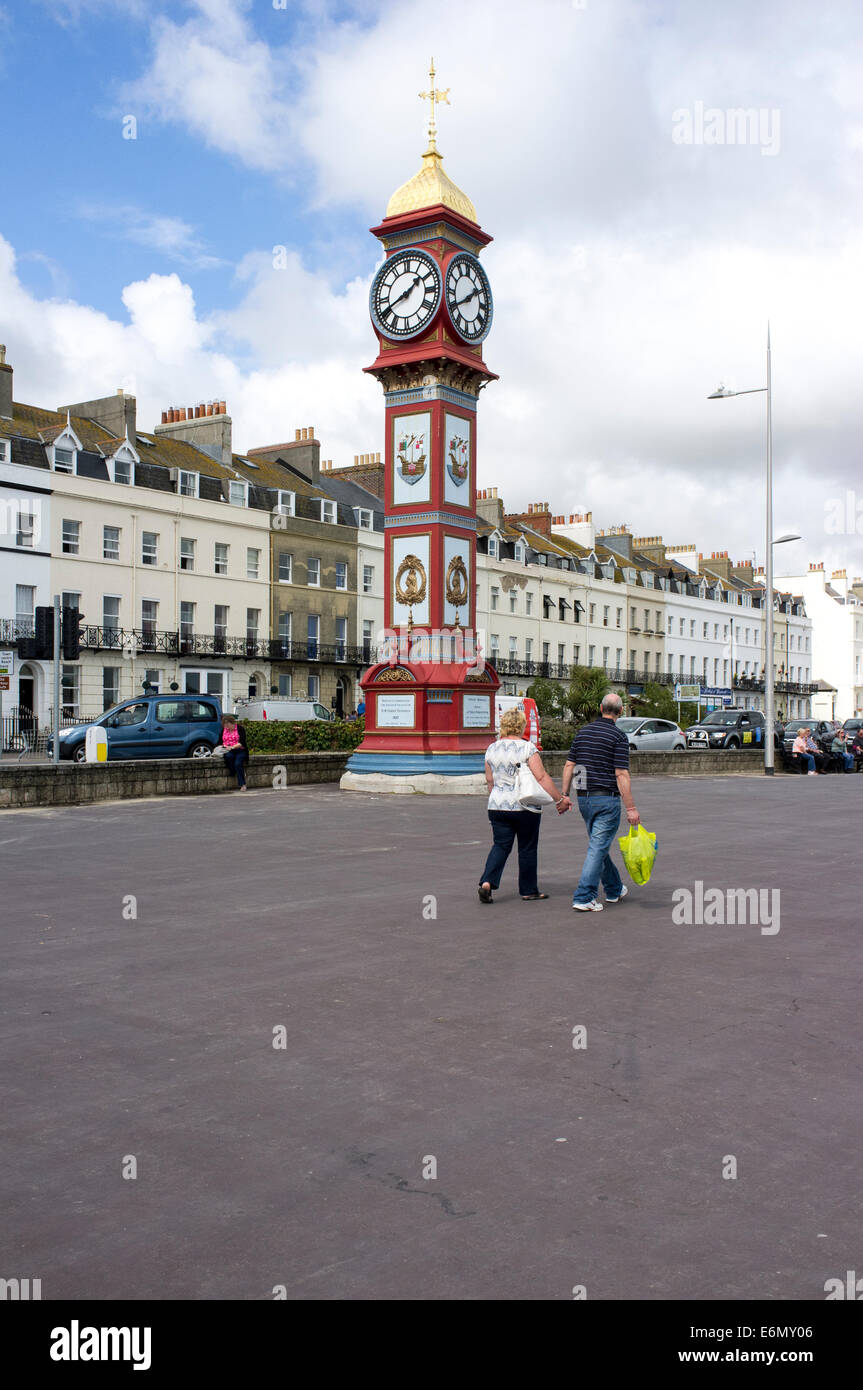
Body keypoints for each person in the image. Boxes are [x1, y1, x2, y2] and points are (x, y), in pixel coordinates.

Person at [478, 707, 571, 904]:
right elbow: (541, 777)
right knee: (527, 847)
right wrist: (559, 799)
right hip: (523, 806)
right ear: (521, 726)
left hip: (497, 805)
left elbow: (489, 780)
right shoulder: (527, 748)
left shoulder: (491, 749)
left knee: (501, 846)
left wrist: (498, 798)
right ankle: (528, 890)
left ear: (503, 726)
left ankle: (487, 882)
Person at [562, 692, 639, 912]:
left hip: (584, 798)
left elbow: (569, 765)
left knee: (600, 846)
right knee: (597, 848)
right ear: (621, 711)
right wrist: (631, 808)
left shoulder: (583, 732)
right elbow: (621, 774)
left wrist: (565, 795)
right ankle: (585, 896)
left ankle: (614, 889)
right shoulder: (618, 737)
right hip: (606, 800)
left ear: (600, 707)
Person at [216, 713, 249, 791]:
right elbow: (219, 742)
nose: (226, 727)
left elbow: (242, 742)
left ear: (233, 723)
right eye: (225, 725)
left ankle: (243, 784)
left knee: (238, 763)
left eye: (228, 724)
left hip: (240, 750)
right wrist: (224, 746)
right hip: (228, 750)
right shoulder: (224, 730)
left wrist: (232, 747)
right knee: (228, 757)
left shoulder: (240, 728)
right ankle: (234, 771)